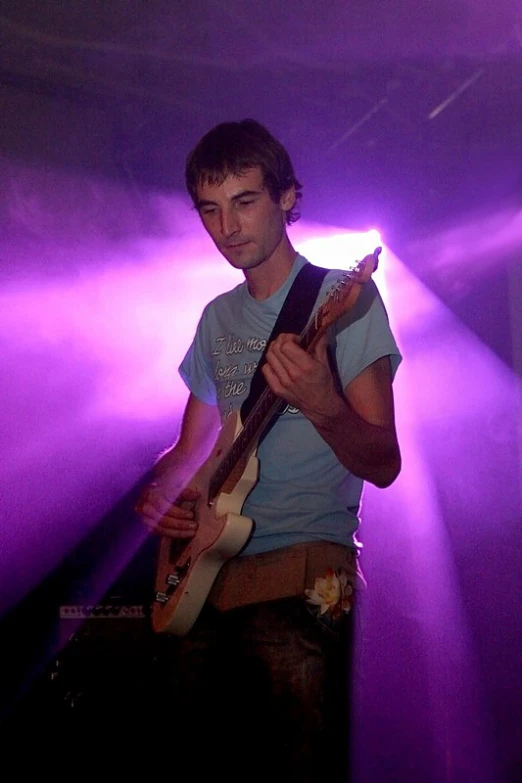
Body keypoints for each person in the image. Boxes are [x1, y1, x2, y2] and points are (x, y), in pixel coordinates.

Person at [136, 118, 402, 781]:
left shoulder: (347, 298)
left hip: (316, 572)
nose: (227, 225)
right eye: (210, 208)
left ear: (288, 197)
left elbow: (384, 460)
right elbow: (191, 451)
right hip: (208, 578)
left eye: (245, 200)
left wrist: (321, 401)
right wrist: (162, 496)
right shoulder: (216, 318)